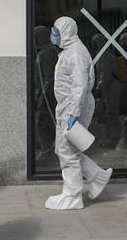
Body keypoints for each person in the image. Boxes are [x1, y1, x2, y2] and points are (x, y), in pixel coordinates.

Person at [46, 17, 113, 210]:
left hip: (74, 106)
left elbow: (81, 86)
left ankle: (73, 195)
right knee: (64, 149)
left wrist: (74, 113)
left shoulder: (75, 53)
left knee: (67, 151)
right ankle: (98, 176)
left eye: (56, 32)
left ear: (65, 32)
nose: (53, 36)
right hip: (68, 106)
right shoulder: (69, 51)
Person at [90, 33, 123, 148]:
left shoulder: (105, 55)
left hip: (111, 88)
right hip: (107, 88)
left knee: (111, 113)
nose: (93, 46)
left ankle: (113, 139)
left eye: (94, 43)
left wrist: (99, 88)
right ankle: (108, 137)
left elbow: (105, 73)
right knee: (103, 113)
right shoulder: (102, 55)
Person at [33, 25, 59, 159]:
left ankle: (47, 150)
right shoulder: (44, 52)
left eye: (36, 37)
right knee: (44, 122)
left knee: (44, 123)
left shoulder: (49, 52)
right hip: (43, 94)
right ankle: (48, 149)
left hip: (48, 95)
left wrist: (44, 94)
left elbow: (50, 76)